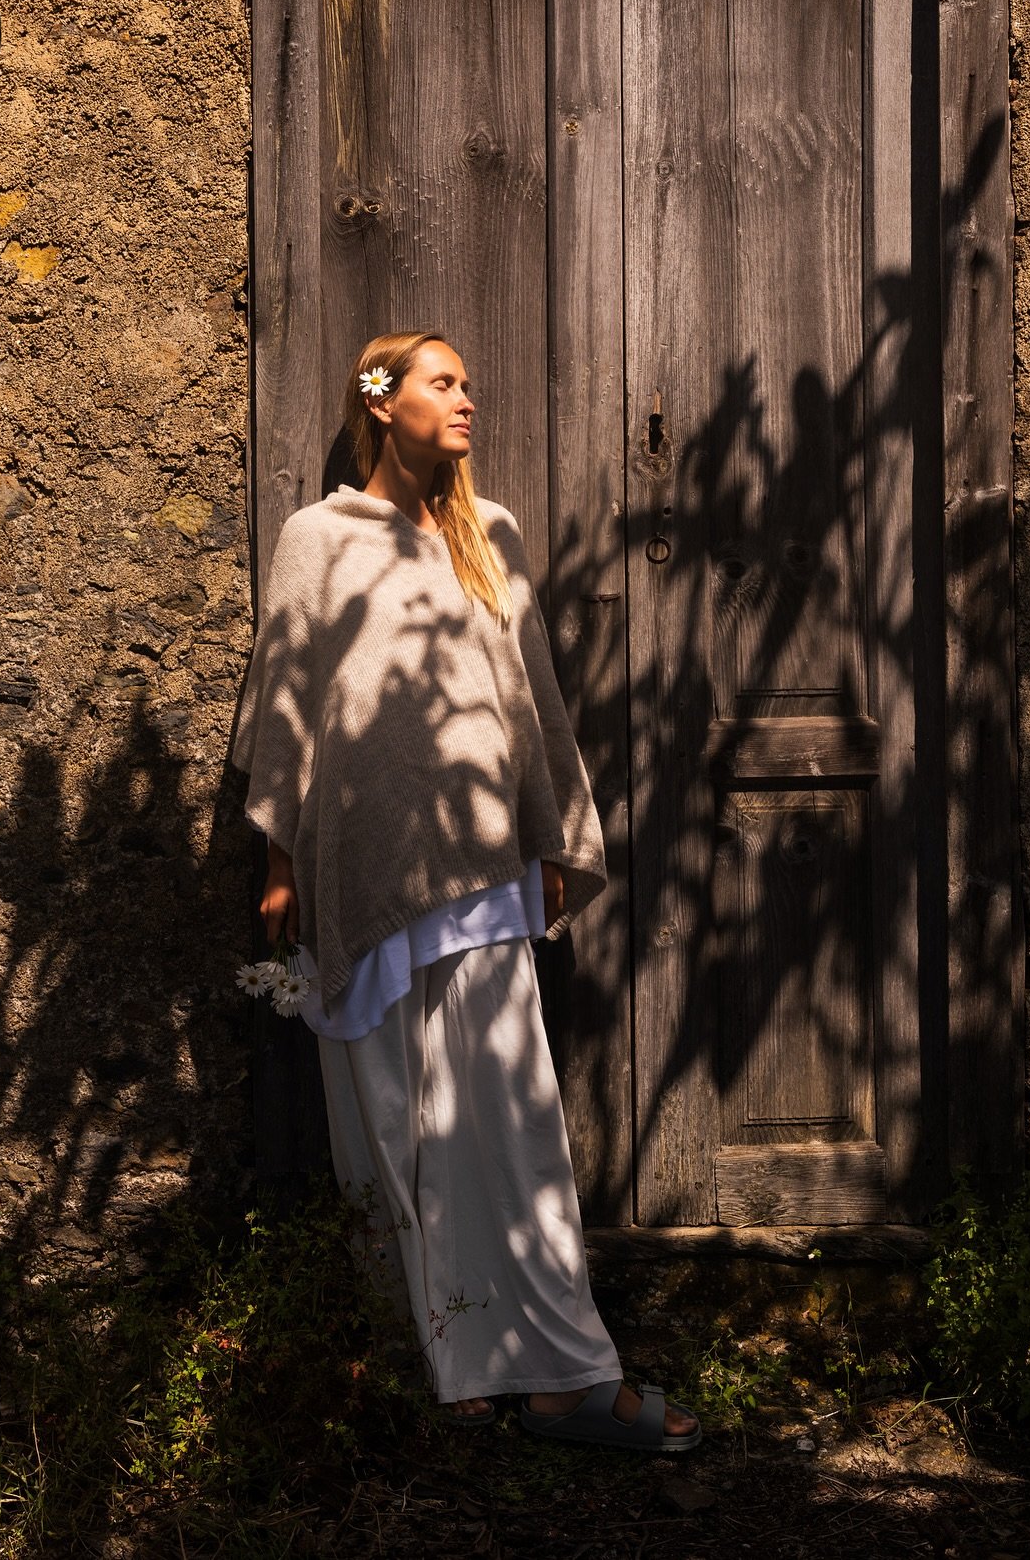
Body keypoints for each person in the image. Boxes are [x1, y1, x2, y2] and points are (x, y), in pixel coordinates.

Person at [231, 329, 700, 1453]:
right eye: (444, 381)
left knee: (510, 1127)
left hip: (484, 870)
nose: (466, 399)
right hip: (363, 871)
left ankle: (561, 1377)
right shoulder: (318, 539)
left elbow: (528, 699)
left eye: (469, 382)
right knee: (390, 1129)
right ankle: (424, 1365)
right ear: (381, 400)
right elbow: (291, 700)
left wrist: (549, 840)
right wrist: (283, 865)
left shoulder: (489, 535)